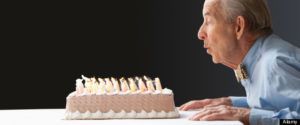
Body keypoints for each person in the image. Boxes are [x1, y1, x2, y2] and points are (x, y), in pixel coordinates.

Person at [179, 0, 300, 125]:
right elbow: (274, 105)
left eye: (208, 21)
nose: (200, 34)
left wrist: (244, 114)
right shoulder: (257, 60)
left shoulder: (275, 65)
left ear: (238, 27)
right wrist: (231, 103)